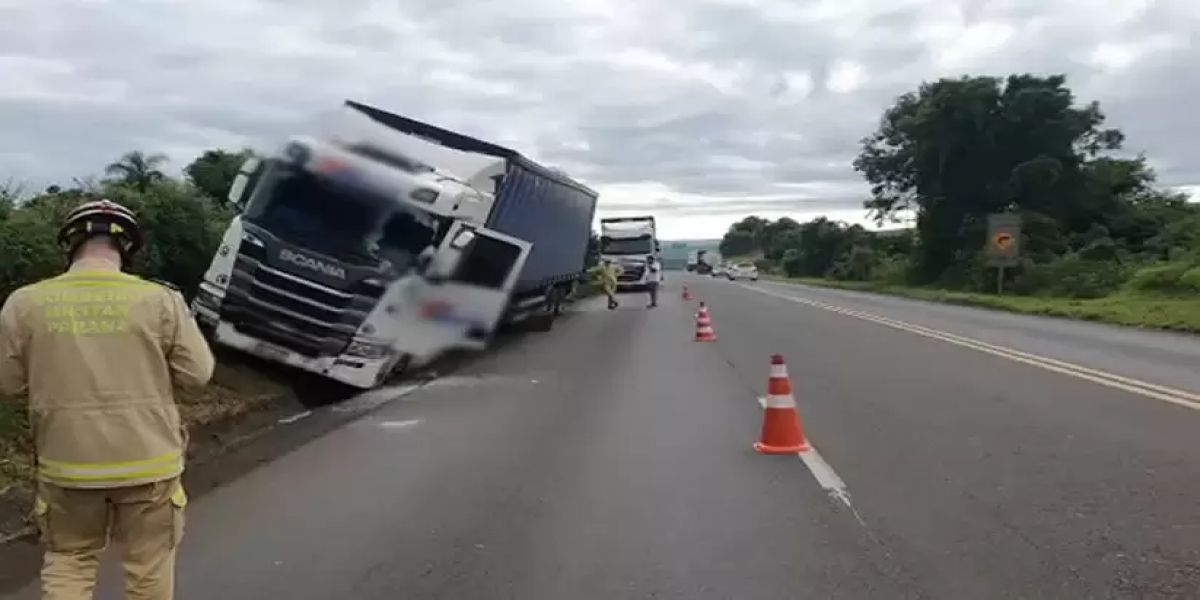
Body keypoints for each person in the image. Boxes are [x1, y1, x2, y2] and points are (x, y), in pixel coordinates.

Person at [0, 199, 215, 600]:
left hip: (67, 465)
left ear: (70, 244)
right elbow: (197, 375)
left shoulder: (24, 303)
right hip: (150, 464)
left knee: (70, 560)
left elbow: (7, 383)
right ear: (127, 246)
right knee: (148, 569)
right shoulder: (160, 300)